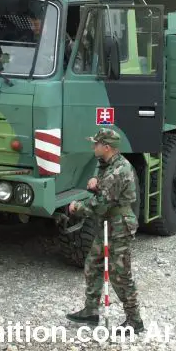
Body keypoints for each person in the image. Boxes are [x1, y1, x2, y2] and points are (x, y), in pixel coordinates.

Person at [65, 128, 144, 333]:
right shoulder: (108, 164)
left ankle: (134, 320)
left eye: (97, 144)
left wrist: (76, 208)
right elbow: (105, 189)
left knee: (120, 274)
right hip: (110, 222)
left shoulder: (118, 170)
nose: (93, 146)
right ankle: (91, 311)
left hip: (120, 225)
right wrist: (96, 182)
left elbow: (99, 205)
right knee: (93, 263)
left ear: (107, 147)